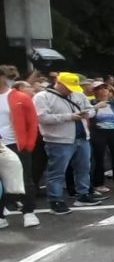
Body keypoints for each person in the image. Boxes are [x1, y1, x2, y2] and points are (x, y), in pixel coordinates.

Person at [33, 72, 105, 213]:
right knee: (57, 172)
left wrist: (87, 114)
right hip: (58, 140)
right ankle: (56, 200)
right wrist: (69, 117)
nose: (71, 91)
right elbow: (42, 118)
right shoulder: (42, 97)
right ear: (58, 83)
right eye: (68, 87)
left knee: (84, 168)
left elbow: (91, 109)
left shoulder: (78, 95)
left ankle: (83, 195)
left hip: (82, 136)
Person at [0, 65, 40, 227]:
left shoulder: (20, 97)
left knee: (25, 179)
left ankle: (29, 212)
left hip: (16, 144)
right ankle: (1, 215)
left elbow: (32, 123)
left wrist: (28, 145)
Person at [89, 83, 114, 192]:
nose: (103, 91)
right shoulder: (91, 103)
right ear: (95, 92)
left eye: (105, 88)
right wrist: (96, 107)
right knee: (98, 158)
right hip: (98, 132)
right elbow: (87, 115)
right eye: (100, 89)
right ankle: (98, 183)